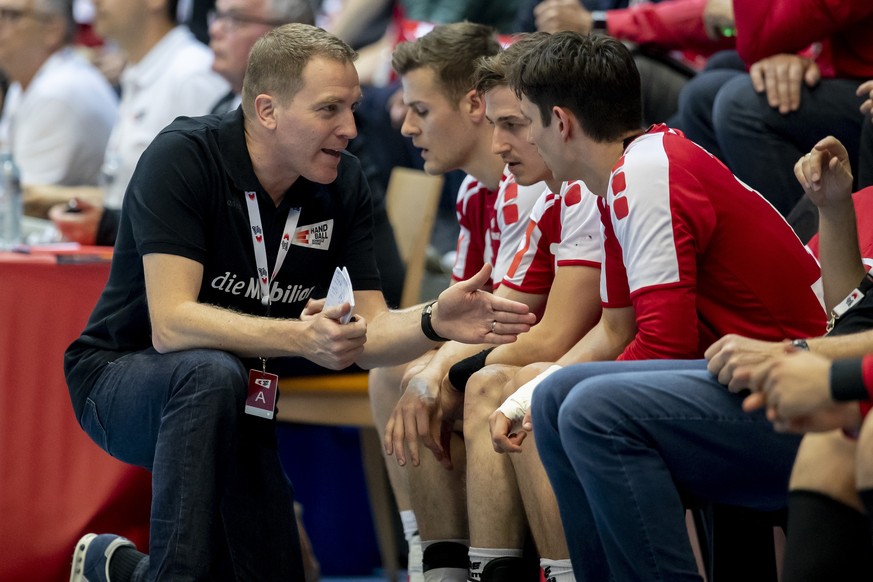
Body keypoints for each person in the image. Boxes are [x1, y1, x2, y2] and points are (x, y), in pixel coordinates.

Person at [64, 23, 536, 581]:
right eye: (329, 109)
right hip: (122, 380)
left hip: (243, 398)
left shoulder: (343, 183)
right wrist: (300, 337)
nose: (350, 129)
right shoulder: (185, 156)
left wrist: (435, 321)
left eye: (354, 107)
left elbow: (370, 331)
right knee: (210, 373)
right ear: (267, 111)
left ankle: (116, 568)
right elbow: (171, 324)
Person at [487, 31, 825, 580]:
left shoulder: (647, 174)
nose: (518, 140)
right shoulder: (623, 174)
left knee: (590, 410)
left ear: (561, 122)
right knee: (553, 404)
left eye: (523, 122)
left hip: (801, 392)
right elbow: (620, 328)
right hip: (745, 379)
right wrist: (527, 396)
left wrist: (541, 388)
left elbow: (663, 347)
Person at [384, 35, 603, 581]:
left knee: (490, 385)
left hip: (695, 358)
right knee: (415, 377)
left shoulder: (582, 185)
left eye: (515, 123)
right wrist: (434, 374)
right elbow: (486, 314)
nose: (407, 127)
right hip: (618, 352)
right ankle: (434, 568)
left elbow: (558, 334)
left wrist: (445, 374)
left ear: (557, 121)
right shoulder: (526, 186)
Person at [367, 22, 544, 580]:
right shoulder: (474, 190)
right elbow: (459, 316)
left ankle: (457, 560)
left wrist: (434, 372)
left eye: (420, 108)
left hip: (541, 347)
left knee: (426, 377)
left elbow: (506, 316)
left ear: (474, 104)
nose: (405, 123)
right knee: (396, 371)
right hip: (507, 343)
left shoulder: (531, 183)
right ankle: (427, 557)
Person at [727, 136, 873, 580]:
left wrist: (822, 370)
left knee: (588, 411)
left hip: (830, 376)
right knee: (828, 447)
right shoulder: (861, 202)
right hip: (829, 375)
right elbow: (850, 316)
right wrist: (831, 208)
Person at [42, 0, 228, 245]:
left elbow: (211, 206)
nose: (94, 2)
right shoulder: (140, 71)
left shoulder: (192, 74)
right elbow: (125, 193)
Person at [674, 0, 873, 217]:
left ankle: (816, 244)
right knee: (703, 96)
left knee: (738, 108)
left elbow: (757, 39)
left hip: (864, 93)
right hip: (845, 74)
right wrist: (797, 58)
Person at [514, 0, 736, 125]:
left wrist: (597, 23)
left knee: (618, 67)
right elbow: (523, 32)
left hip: (700, 67)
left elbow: (706, 15)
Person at [0, 0, 117, 187]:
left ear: (52, 30)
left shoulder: (58, 92)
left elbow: (19, 197)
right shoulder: (25, 83)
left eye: (11, 15)